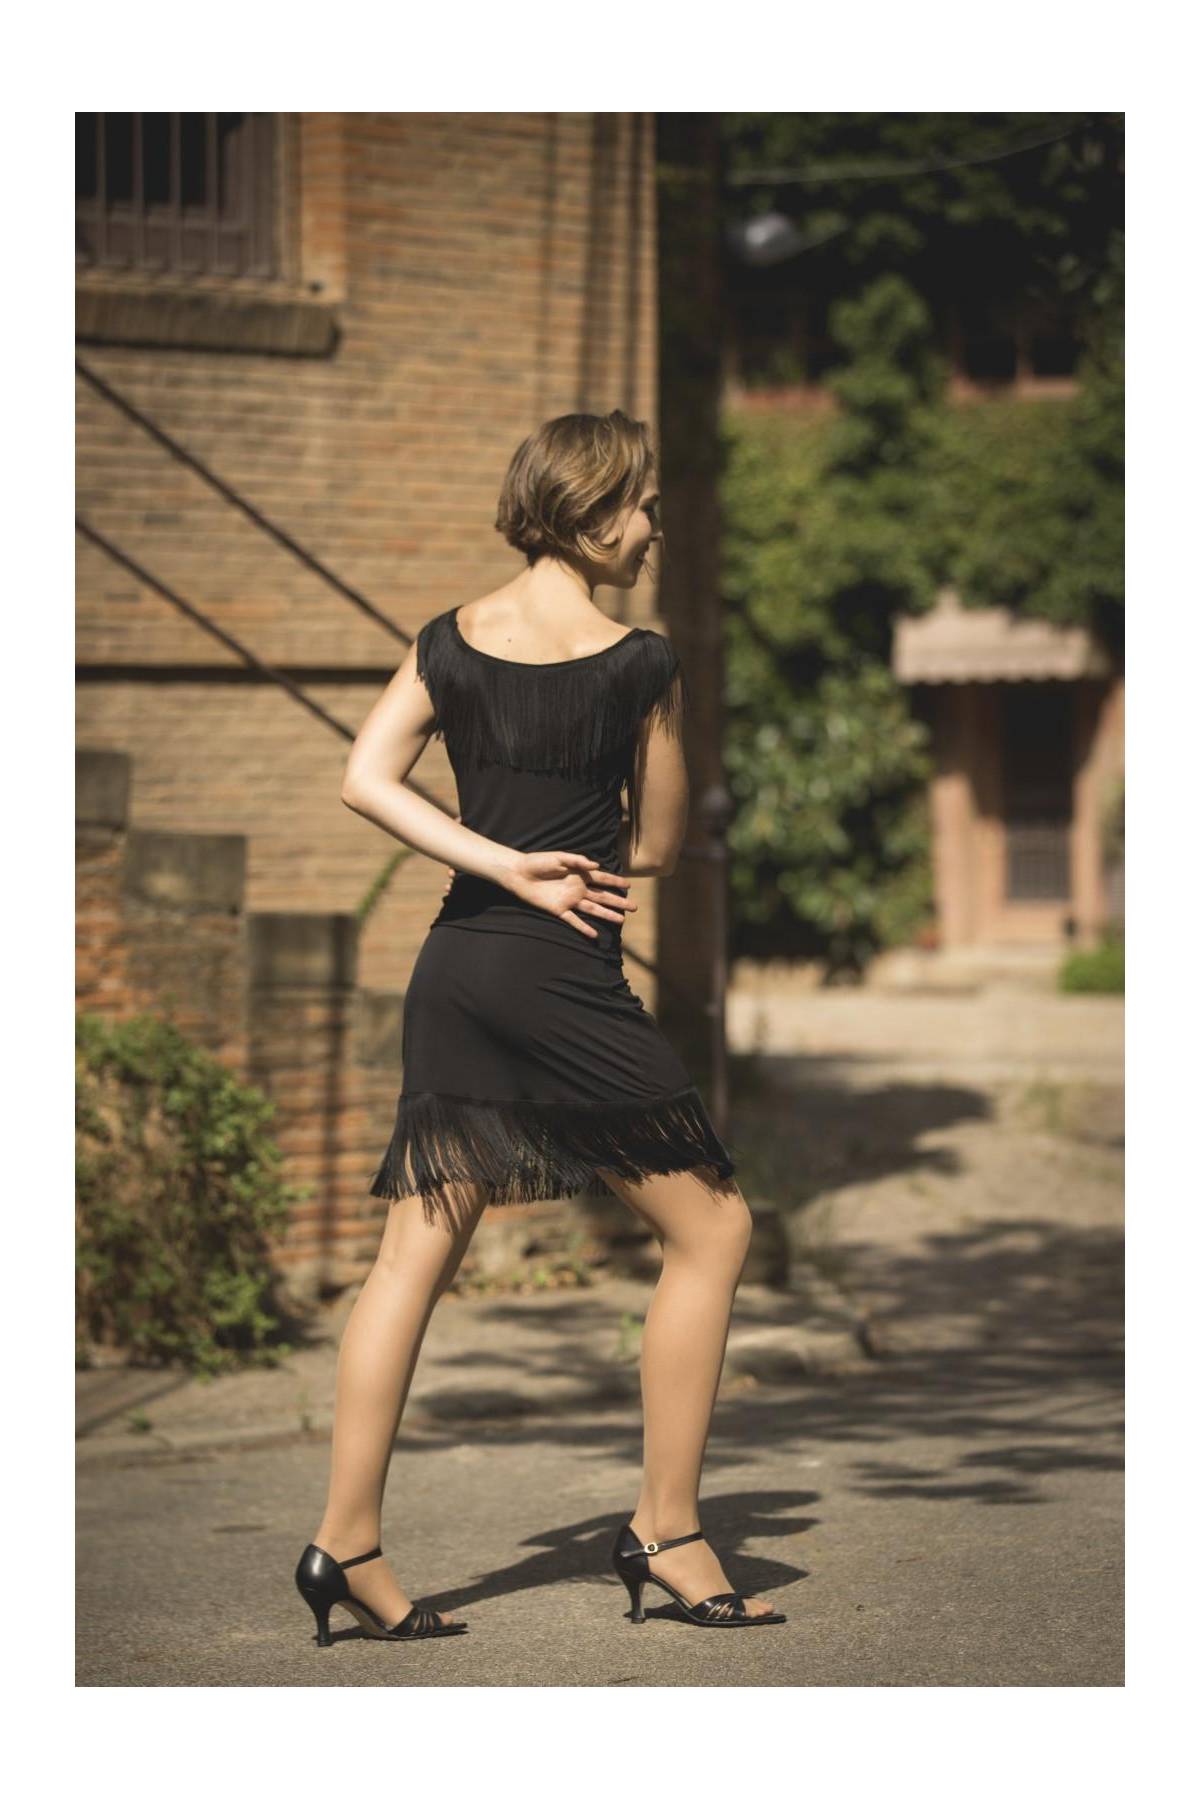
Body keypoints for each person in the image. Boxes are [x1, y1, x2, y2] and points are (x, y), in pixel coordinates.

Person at [294, 409, 786, 1644]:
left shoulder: (446, 641)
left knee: (408, 1262)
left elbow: (365, 779)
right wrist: (564, 843)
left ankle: (345, 1545)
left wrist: (498, 861)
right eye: (644, 505)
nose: (655, 526)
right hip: (559, 980)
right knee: (715, 1227)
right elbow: (658, 846)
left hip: (458, 965)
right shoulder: (640, 663)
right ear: (593, 514)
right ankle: (667, 1531)